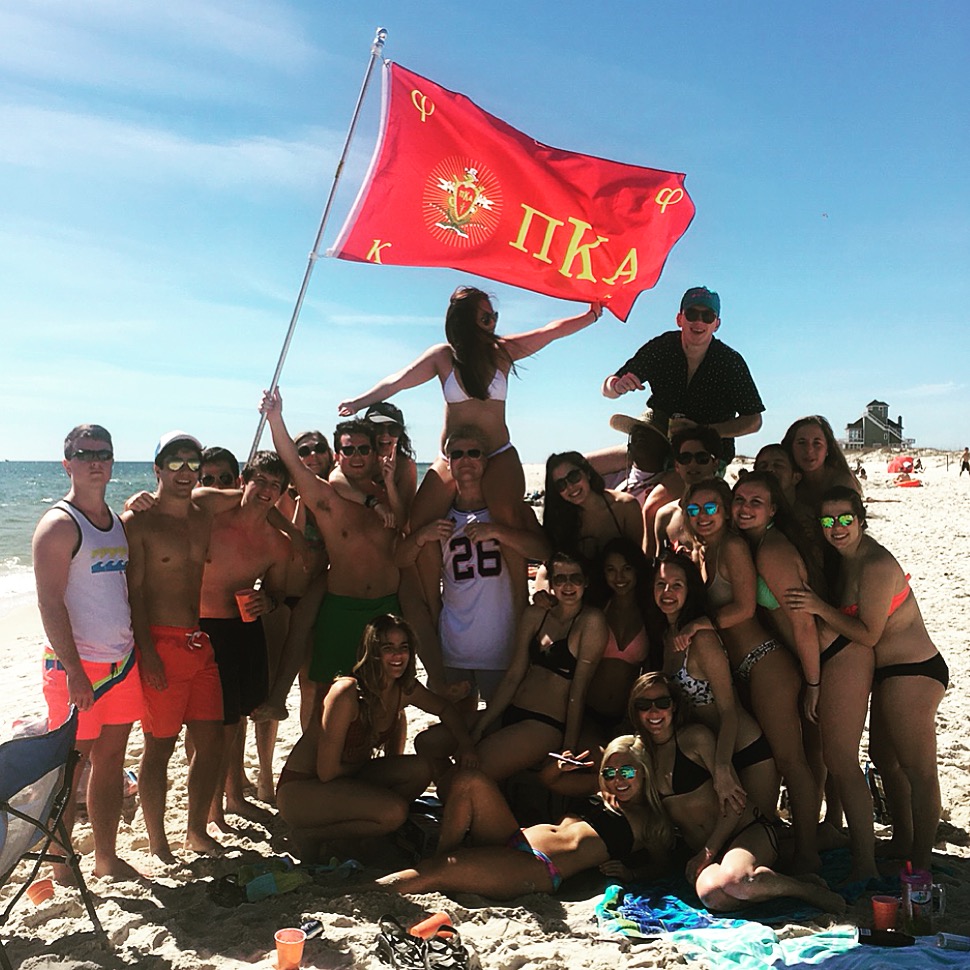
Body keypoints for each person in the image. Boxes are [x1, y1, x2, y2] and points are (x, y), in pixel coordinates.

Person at [338, 286, 602, 614]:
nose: (493, 322)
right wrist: (358, 402)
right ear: (465, 321)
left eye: (494, 316)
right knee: (419, 523)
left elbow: (548, 332)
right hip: (453, 456)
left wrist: (589, 315)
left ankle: (519, 605)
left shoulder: (502, 352)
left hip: (498, 453)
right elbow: (400, 380)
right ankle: (435, 605)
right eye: (486, 316)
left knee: (507, 516)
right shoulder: (443, 356)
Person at [785, 486, 948, 874]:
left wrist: (819, 607)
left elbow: (869, 634)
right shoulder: (847, 558)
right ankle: (904, 842)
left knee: (919, 770)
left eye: (845, 519)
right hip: (890, 672)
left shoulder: (873, 564)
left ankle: (920, 864)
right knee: (882, 758)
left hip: (913, 669)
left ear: (860, 519)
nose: (836, 528)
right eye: (828, 520)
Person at [679, 478, 821, 872]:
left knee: (792, 761)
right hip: (744, 667)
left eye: (711, 508)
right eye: (694, 510)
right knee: (776, 760)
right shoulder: (703, 551)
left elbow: (743, 608)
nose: (702, 517)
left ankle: (808, 853)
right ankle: (786, 838)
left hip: (765, 662)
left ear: (724, 511)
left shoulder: (734, 547)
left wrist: (697, 626)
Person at [629, 673, 845, 913]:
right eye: (643, 705)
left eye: (662, 703)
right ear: (635, 711)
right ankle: (785, 881)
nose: (654, 712)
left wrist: (707, 851)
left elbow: (734, 803)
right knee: (714, 897)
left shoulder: (695, 739)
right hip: (708, 850)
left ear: (674, 705)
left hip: (744, 830)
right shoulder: (640, 754)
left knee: (738, 882)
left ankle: (806, 890)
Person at [33, 424, 144, 881]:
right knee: (69, 769)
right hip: (75, 668)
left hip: (120, 664)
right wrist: (76, 672)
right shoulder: (59, 525)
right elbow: (49, 602)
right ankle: (60, 864)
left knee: (112, 763)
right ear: (67, 463)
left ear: (113, 462)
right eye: (84, 454)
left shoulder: (116, 521)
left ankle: (105, 856)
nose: (95, 461)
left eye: (103, 453)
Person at [276, 615, 476, 858]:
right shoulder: (346, 693)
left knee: (421, 768)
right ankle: (313, 835)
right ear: (372, 652)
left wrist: (466, 745)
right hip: (305, 789)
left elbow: (444, 708)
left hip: (348, 775)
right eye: (388, 648)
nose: (398, 655)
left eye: (404, 647)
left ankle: (364, 832)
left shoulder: (403, 688)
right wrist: (369, 774)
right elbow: (327, 772)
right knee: (394, 812)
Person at [372, 736, 659, 899]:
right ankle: (444, 858)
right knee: (469, 779)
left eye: (627, 772)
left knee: (438, 870)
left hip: (539, 868)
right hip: (515, 837)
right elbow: (551, 782)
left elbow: (664, 861)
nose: (617, 780)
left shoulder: (647, 819)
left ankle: (365, 892)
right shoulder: (601, 791)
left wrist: (631, 874)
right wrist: (559, 767)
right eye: (610, 772)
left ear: (644, 772)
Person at [122, 431, 225, 862]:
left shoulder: (203, 513)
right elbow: (135, 594)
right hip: (160, 642)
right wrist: (147, 654)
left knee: (212, 741)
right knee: (159, 746)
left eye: (192, 463)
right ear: (157, 468)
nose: (185, 472)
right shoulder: (138, 521)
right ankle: (158, 840)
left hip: (198, 640)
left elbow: (253, 494)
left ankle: (196, 831)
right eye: (175, 463)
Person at [261, 389, 403, 693]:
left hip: (386, 607)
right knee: (330, 699)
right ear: (338, 456)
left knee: (390, 699)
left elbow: (406, 526)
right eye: (348, 451)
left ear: (374, 453)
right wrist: (276, 418)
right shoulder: (328, 499)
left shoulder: (389, 491)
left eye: (363, 450)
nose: (356, 457)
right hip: (341, 607)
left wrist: (389, 487)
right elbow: (292, 463)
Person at [402, 425, 549, 710]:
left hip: (503, 645)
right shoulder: (441, 520)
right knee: (459, 735)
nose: (466, 459)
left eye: (474, 453)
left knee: (500, 728)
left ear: (486, 461)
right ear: (449, 463)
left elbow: (545, 552)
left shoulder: (509, 513)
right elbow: (404, 560)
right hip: (454, 646)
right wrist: (422, 536)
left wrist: (497, 532)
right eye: (457, 454)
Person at [198, 451, 292, 828]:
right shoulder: (210, 520)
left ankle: (235, 797)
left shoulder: (277, 542)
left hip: (243, 629)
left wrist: (266, 600)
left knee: (236, 721)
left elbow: (277, 595)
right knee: (211, 727)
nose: (267, 491)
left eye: (276, 485)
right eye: (261, 481)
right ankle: (212, 810)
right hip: (203, 626)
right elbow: (165, 510)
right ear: (243, 481)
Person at [652, 551, 778, 820]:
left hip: (744, 753)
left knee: (761, 829)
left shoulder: (702, 640)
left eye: (677, 585)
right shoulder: (664, 637)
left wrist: (721, 767)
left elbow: (729, 710)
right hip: (707, 757)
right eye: (660, 584)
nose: (667, 592)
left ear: (690, 590)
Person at [468, 552, 608, 782]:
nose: (568, 585)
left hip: (545, 723)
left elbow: (578, 691)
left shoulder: (591, 622)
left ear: (587, 582)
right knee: (429, 742)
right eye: (560, 579)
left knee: (470, 773)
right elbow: (514, 675)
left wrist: (568, 748)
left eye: (576, 578)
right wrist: (481, 725)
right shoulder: (536, 614)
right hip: (510, 708)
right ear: (551, 583)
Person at [601, 286, 764, 466]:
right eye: (692, 314)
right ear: (680, 319)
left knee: (661, 493)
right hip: (654, 445)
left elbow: (754, 420)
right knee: (582, 466)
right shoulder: (662, 347)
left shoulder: (730, 362)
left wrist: (704, 431)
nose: (699, 322)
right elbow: (609, 389)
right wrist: (615, 385)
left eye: (707, 316)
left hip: (705, 457)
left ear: (716, 324)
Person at [541, 452, 643, 564]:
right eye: (561, 485)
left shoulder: (625, 506)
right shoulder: (561, 520)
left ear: (588, 473)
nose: (570, 486)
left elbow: (637, 559)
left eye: (574, 477)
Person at [649, 426, 721, 557]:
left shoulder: (730, 510)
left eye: (702, 458)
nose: (693, 464)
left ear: (715, 463)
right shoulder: (666, 516)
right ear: (677, 465)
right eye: (685, 458)